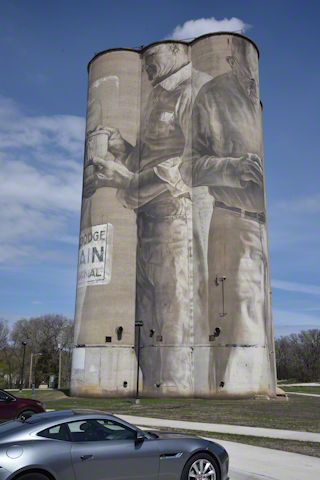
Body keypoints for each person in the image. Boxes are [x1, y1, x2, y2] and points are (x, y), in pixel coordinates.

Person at [84, 42, 213, 395]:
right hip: (149, 222)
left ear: (176, 53)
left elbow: (187, 166)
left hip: (176, 222)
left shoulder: (194, 90)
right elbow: (152, 158)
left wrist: (124, 179)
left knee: (173, 312)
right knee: (149, 315)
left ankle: (173, 387)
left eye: (154, 57)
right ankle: (150, 383)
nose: (147, 65)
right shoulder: (159, 94)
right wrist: (122, 147)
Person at [181, 36, 276, 394]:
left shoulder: (254, 103)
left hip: (259, 226)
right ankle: (223, 389)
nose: (252, 70)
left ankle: (259, 385)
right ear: (233, 59)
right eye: (245, 60)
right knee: (231, 322)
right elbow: (187, 167)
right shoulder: (213, 96)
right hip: (231, 223)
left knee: (258, 321)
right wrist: (232, 169)